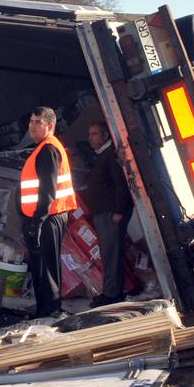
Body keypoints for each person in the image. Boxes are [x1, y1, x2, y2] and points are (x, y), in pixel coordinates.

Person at [20, 107, 78, 319]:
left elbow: (47, 189)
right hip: (45, 216)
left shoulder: (48, 149)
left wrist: (38, 221)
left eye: (37, 123)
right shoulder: (44, 148)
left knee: (47, 265)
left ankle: (51, 310)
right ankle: (45, 309)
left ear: (50, 126)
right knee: (41, 264)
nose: (32, 127)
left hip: (48, 217)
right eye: (31, 122)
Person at [82, 121, 134, 307]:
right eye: (90, 134)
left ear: (105, 136)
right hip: (104, 213)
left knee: (111, 254)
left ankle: (112, 294)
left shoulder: (110, 156)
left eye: (94, 134)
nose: (90, 138)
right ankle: (111, 292)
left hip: (110, 213)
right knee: (109, 253)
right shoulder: (102, 156)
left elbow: (121, 184)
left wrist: (119, 211)